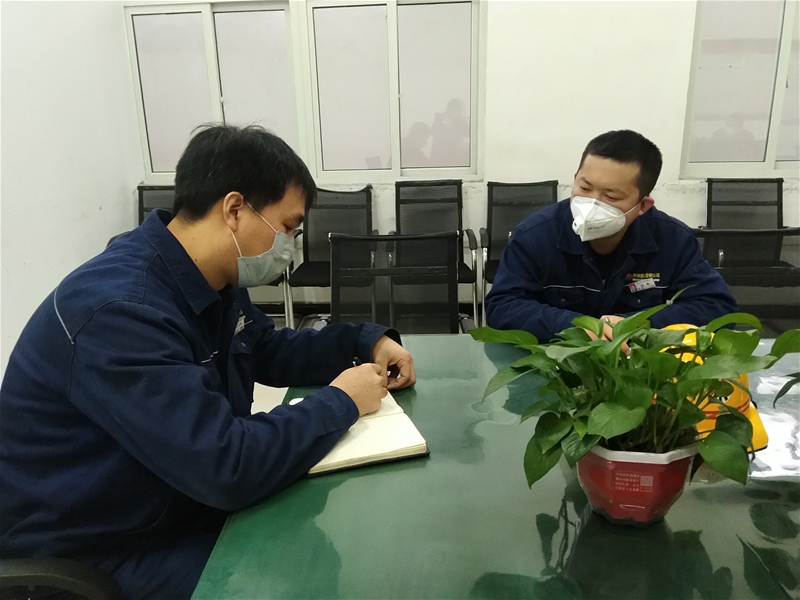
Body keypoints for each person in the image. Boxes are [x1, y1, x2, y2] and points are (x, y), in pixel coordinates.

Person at [0, 125, 416, 598]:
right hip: (96, 549)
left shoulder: (210, 278)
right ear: (235, 209)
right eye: (287, 228)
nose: (290, 245)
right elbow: (226, 465)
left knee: (316, 539)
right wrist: (342, 401)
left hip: (171, 501)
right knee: (293, 578)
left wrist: (364, 341)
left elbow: (266, 349)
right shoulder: (120, 313)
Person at [485, 129, 737, 343]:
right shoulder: (535, 235)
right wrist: (572, 326)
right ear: (575, 179)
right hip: (555, 363)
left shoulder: (673, 239)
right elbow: (502, 307)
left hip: (639, 368)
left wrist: (638, 325)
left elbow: (717, 307)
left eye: (611, 196)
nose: (592, 204)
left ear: (642, 205)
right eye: (584, 187)